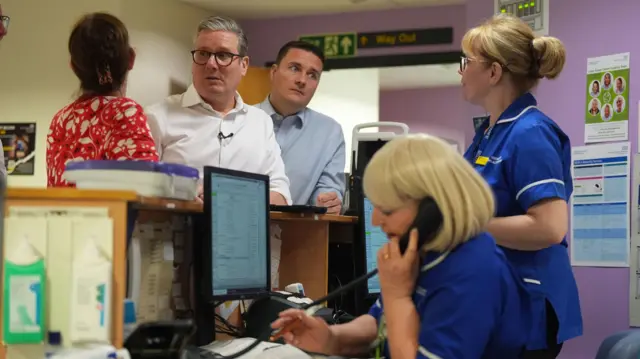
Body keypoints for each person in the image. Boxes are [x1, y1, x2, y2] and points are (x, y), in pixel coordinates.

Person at [271, 135, 532, 359]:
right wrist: (330, 337)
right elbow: (379, 322)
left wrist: (397, 296)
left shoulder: (473, 271)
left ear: (433, 210)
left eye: (387, 209)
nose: (375, 220)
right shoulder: (425, 252)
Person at [459, 13, 582, 358]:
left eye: (466, 62)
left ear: (494, 72)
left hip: (528, 306)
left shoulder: (530, 132)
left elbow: (550, 226)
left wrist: (467, 228)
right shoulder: (490, 132)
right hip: (497, 298)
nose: (461, 71)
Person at [145, 16, 290, 205]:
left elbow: (281, 195)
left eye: (223, 55)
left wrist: (231, 196)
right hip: (178, 230)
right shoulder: (158, 116)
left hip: (244, 231)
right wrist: (182, 195)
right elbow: (138, 189)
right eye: (203, 54)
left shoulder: (260, 122)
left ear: (244, 65)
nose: (211, 64)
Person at [46, 12, 158, 187]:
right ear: (131, 59)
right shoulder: (125, 112)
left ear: (73, 67)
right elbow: (145, 192)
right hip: (111, 215)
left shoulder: (60, 120)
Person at [256, 41, 345, 213]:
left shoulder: (330, 133)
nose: (302, 80)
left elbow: (328, 190)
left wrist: (329, 201)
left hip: (298, 234)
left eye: (312, 75)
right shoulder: (241, 119)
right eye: (295, 68)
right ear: (274, 72)